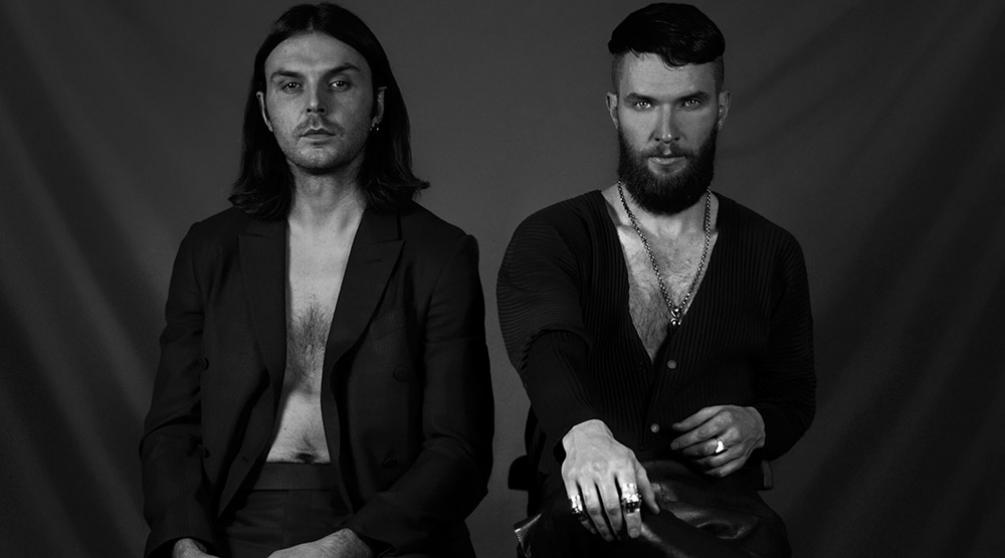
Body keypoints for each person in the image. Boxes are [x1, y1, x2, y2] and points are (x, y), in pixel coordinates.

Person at [140, 4, 493, 557]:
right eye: (291, 85)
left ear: (377, 105)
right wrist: (185, 545)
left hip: (385, 533)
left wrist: (349, 546)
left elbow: (460, 449)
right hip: (229, 526)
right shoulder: (209, 249)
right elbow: (171, 428)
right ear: (265, 109)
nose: (314, 105)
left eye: (339, 83)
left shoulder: (438, 254)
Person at [498, 3, 815, 556]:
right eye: (643, 103)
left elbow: (793, 397)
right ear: (614, 109)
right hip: (590, 517)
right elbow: (547, 345)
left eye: (690, 102)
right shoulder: (554, 236)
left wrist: (757, 424)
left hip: (722, 520)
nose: (665, 132)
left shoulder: (772, 252)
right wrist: (585, 434)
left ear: (721, 108)